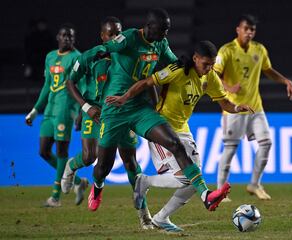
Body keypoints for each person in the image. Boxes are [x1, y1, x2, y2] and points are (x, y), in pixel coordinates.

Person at [87, 8, 231, 213]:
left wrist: (183, 64)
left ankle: (205, 195)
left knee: (175, 143)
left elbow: (173, 62)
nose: (166, 34)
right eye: (164, 29)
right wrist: (103, 51)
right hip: (115, 107)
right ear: (150, 26)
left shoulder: (161, 44)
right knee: (103, 167)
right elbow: (110, 46)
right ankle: (98, 186)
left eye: (168, 30)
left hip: (140, 108)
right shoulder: (129, 37)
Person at [105, 40, 254, 232]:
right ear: (195, 59)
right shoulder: (177, 70)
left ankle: (161, 218)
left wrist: (236, 107)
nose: (209, 68)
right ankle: (145, 181)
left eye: (212, 64)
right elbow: (146, 82)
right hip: (161, 128)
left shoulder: (210, 77)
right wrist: (124, 98)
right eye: (205, 64)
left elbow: (223, 101)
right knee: (187, 178)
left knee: (195, 178)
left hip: (183, 130)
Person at [61, 16, 153, 229]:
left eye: (118, 33)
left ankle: (144, 214)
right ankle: (71, 166)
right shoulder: (91, 56)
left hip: (121, 111)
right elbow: (70, 82)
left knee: (130, 161)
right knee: (90, 157)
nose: (115, 37)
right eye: (110, 34)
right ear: (102, 36)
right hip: (95, 112)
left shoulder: (130, 53)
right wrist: (86, 108)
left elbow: (146, 81)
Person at [215, 14, 292, 200]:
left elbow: (268, 70)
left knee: (266, 143)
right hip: (234, 108)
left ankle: (254, 184)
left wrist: (285, 81)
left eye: (252, 30)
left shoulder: (259, 50)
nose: (249, 33)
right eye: (246, 29)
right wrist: (228, 87)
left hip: (255, 107)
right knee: (230, 149)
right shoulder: (226, 51)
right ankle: (220, 191)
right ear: (238, 30)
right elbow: (213, 74)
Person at [25, 24, 88, 207]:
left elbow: (82, 86)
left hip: (66, 109)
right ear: (58, 38)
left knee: (61, 152)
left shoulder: (77, 58)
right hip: (50, 110)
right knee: (43, 151)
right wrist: (35, 111)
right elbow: (47, 86)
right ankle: (78, 182)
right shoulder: (50, 56)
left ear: (74, 39)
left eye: (71, 36)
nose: (67, 38)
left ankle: (55, 197)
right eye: (64, 35)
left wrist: (81, 112)